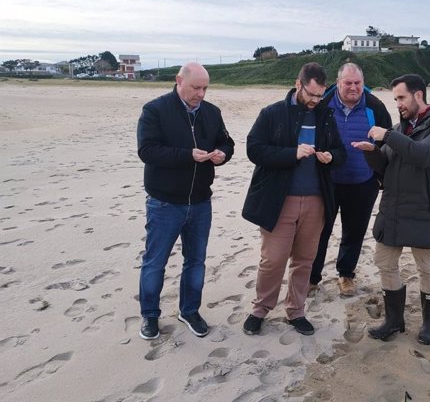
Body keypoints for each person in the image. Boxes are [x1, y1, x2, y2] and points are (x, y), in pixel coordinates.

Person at [241, 62, 346, 336]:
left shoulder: (325, 115)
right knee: (273, 259)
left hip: (316, 200)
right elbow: (254, 149)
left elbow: (340, 150)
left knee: (304, 260)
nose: (315, 101)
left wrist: (331, 156)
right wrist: (291, 154)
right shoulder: (272, 113)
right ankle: (260, 309)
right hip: (280, 199)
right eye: (311, 94)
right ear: (298, 84)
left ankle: (296, 311)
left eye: (320, 95)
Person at [353, 74, 430, 345]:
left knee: (426, 267)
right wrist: (371, 152)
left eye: (401, 97)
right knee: (385, 262)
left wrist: (386, 134)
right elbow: (387, 168)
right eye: (395, 98)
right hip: (394, 209)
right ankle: (394, 320)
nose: (397, 103)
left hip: (425, 209)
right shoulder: (401, 129)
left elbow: (422, 155)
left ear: (418, 95)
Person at [136, 62, 235, 340]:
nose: (201, 94)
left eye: (205, 88)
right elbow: (147, 151)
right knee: (155, 262)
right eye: (196, 88)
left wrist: (222, 154)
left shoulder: (212, 112)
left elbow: (228, 143)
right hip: (165, 202)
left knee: (196, 260)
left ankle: (189, 310)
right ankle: (150, 316)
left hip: (201, 201)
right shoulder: (155, 110)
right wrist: (186, 155)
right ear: (179, 80)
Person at [310, 63, 392, 297]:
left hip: (363, 183)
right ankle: (312, 277)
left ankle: (346, 275)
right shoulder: (323, 104)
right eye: (348, 83)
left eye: (357, 83)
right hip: (327, 182)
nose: (354, 87)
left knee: (353, 232)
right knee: (319, 232)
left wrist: (379, 179)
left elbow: (388, 144)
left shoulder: (374, 106)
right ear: (338, 83)